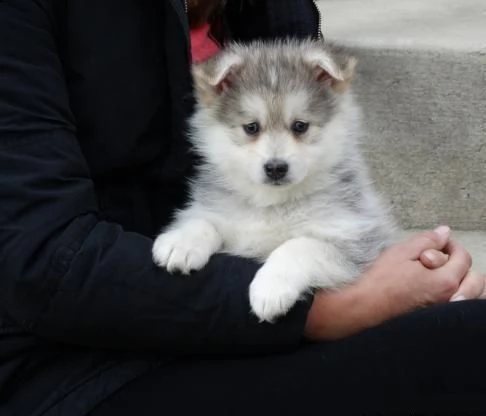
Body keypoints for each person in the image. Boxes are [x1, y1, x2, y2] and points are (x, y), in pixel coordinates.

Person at [0, 0, 485, 414]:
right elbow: (43, 262)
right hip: (74, 367)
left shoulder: (260, 10)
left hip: (219, 326)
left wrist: (409, 281)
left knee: (460, 329)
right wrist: (329, 311)